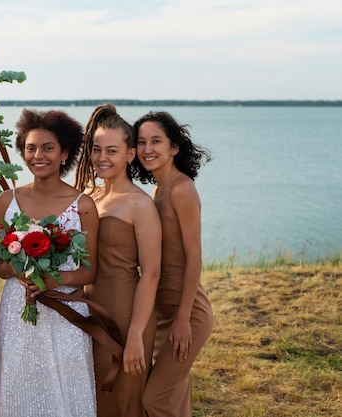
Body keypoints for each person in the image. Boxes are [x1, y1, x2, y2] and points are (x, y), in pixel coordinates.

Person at [0, 108, 99, 417]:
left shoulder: (83, 205)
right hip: (17, 311)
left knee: (66, 388)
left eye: (48, 147)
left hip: (66, 310)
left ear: (64, 153)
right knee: (18, 386)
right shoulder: (6, 202)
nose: (39, 155)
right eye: (31, 148)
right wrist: (17, 269)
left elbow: (90, 270)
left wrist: (53, 280)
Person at [74, 104, 162, 416]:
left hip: (127, 314)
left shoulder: (140, 204)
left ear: (129, 154)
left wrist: (136, 335)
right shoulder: (88, 195)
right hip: (87, 312)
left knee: (126, 399)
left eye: (112, 150)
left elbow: (151, 274)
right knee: (95, 398)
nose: (102, 158)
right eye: (97, 150)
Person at [131, 111, 214, 417]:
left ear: (173, 148)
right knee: (174, 394)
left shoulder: (182, 189)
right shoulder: (157, 190)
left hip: (187, 312)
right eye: (141, 142)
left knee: (156, 399)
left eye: (156, 141)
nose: (147, 149)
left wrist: (182, 319)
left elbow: (195, 258)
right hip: (164, 309)